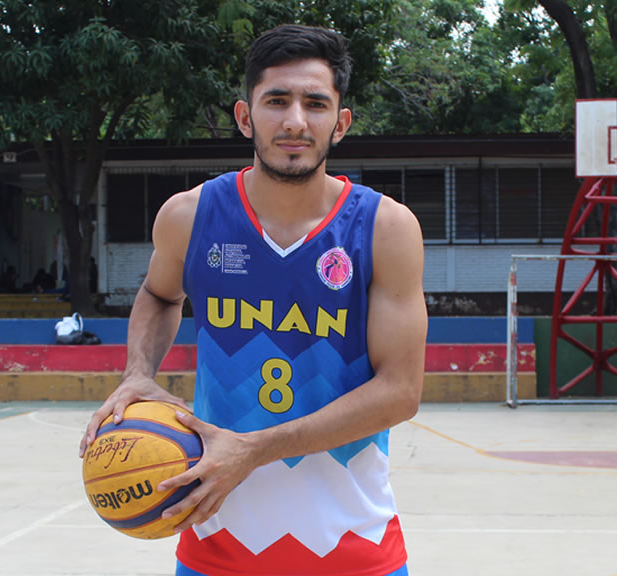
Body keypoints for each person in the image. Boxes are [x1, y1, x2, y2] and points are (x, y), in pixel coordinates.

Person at [80, 24, 427, 576]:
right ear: (246, 116)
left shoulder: (384, 229)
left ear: (341, 123)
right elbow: (158, 293)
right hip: (216, 547)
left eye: (315, 103)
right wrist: (138, 371)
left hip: (352, 548)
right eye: (276, 101)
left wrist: (253, 449)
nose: (295, 121)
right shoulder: (190, 217)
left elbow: (399, 392)